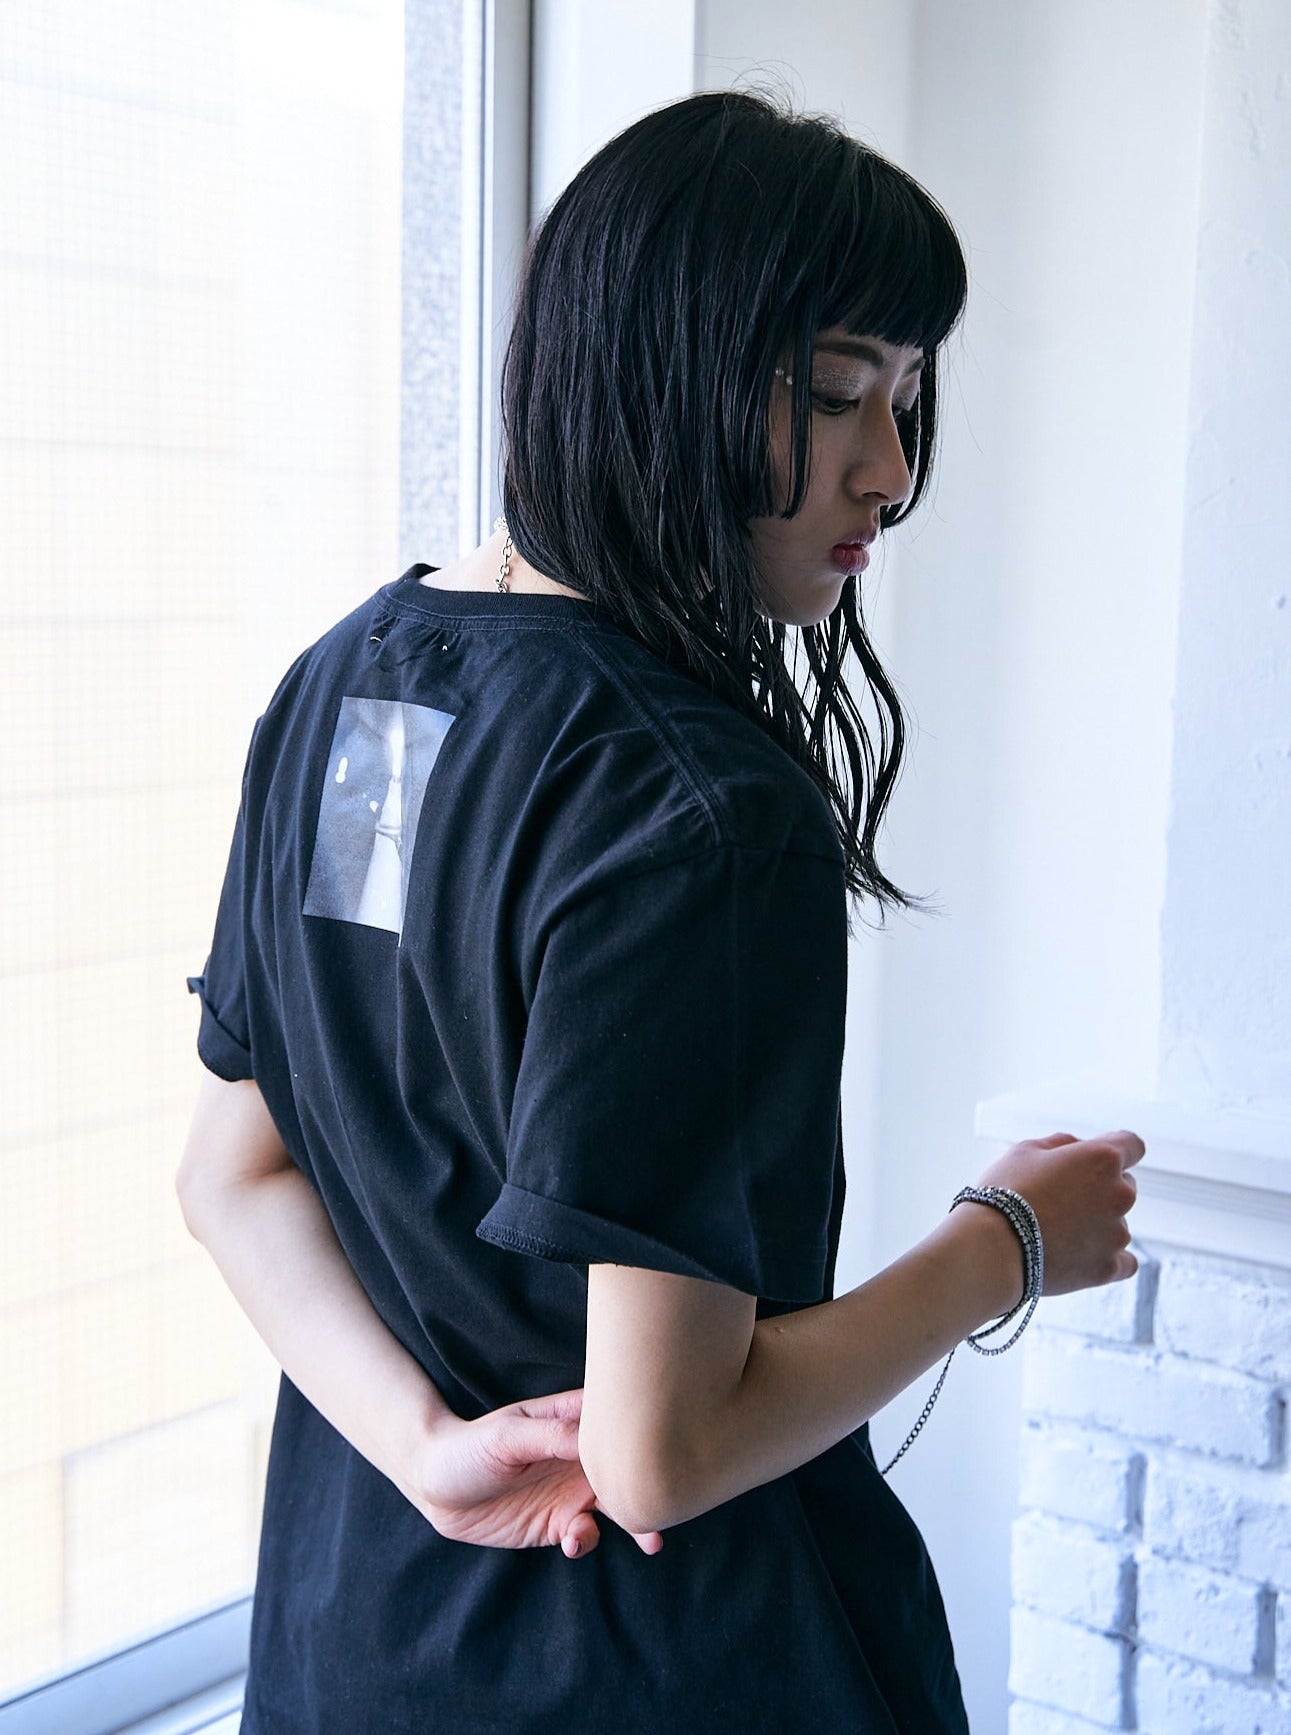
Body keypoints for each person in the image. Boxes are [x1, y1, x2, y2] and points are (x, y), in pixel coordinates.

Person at [179, 90, 1141, 1733]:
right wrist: (1005, 1246)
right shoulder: (702, 813)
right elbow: (660, 1454)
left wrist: (426, 1451)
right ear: (662, 364)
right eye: (836, 391)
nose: (890, 470)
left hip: (366, 1642)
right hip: (665, 1668)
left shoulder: (359, 698)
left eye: (908, 398)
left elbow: (233, 1173)